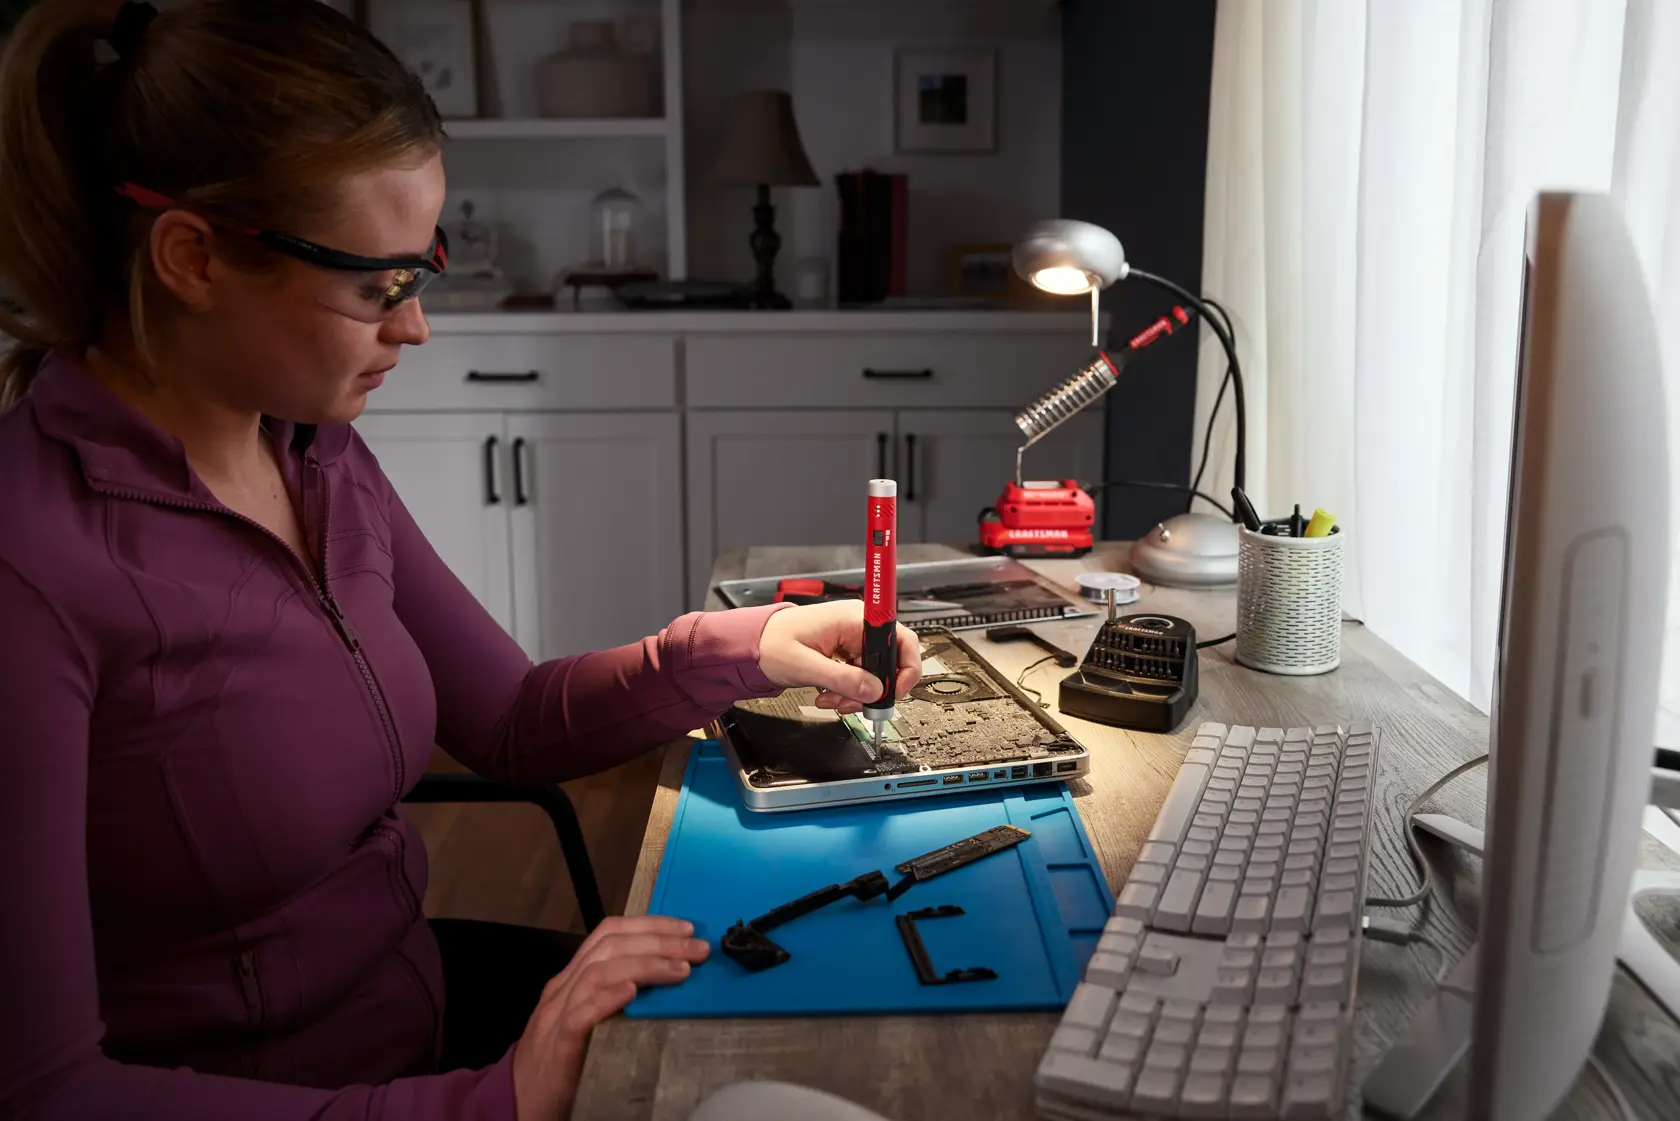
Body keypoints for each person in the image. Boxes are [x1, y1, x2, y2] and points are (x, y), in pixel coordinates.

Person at [0, 3, 921, 1119]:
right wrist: (496, 1100)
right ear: (191, 256)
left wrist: (747, 648)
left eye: (421, 266)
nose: (417, 326)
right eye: (377, 284)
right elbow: (48, 1087)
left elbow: (514, 720)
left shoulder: (314, 450)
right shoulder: (34, 566)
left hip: (413, 1014)